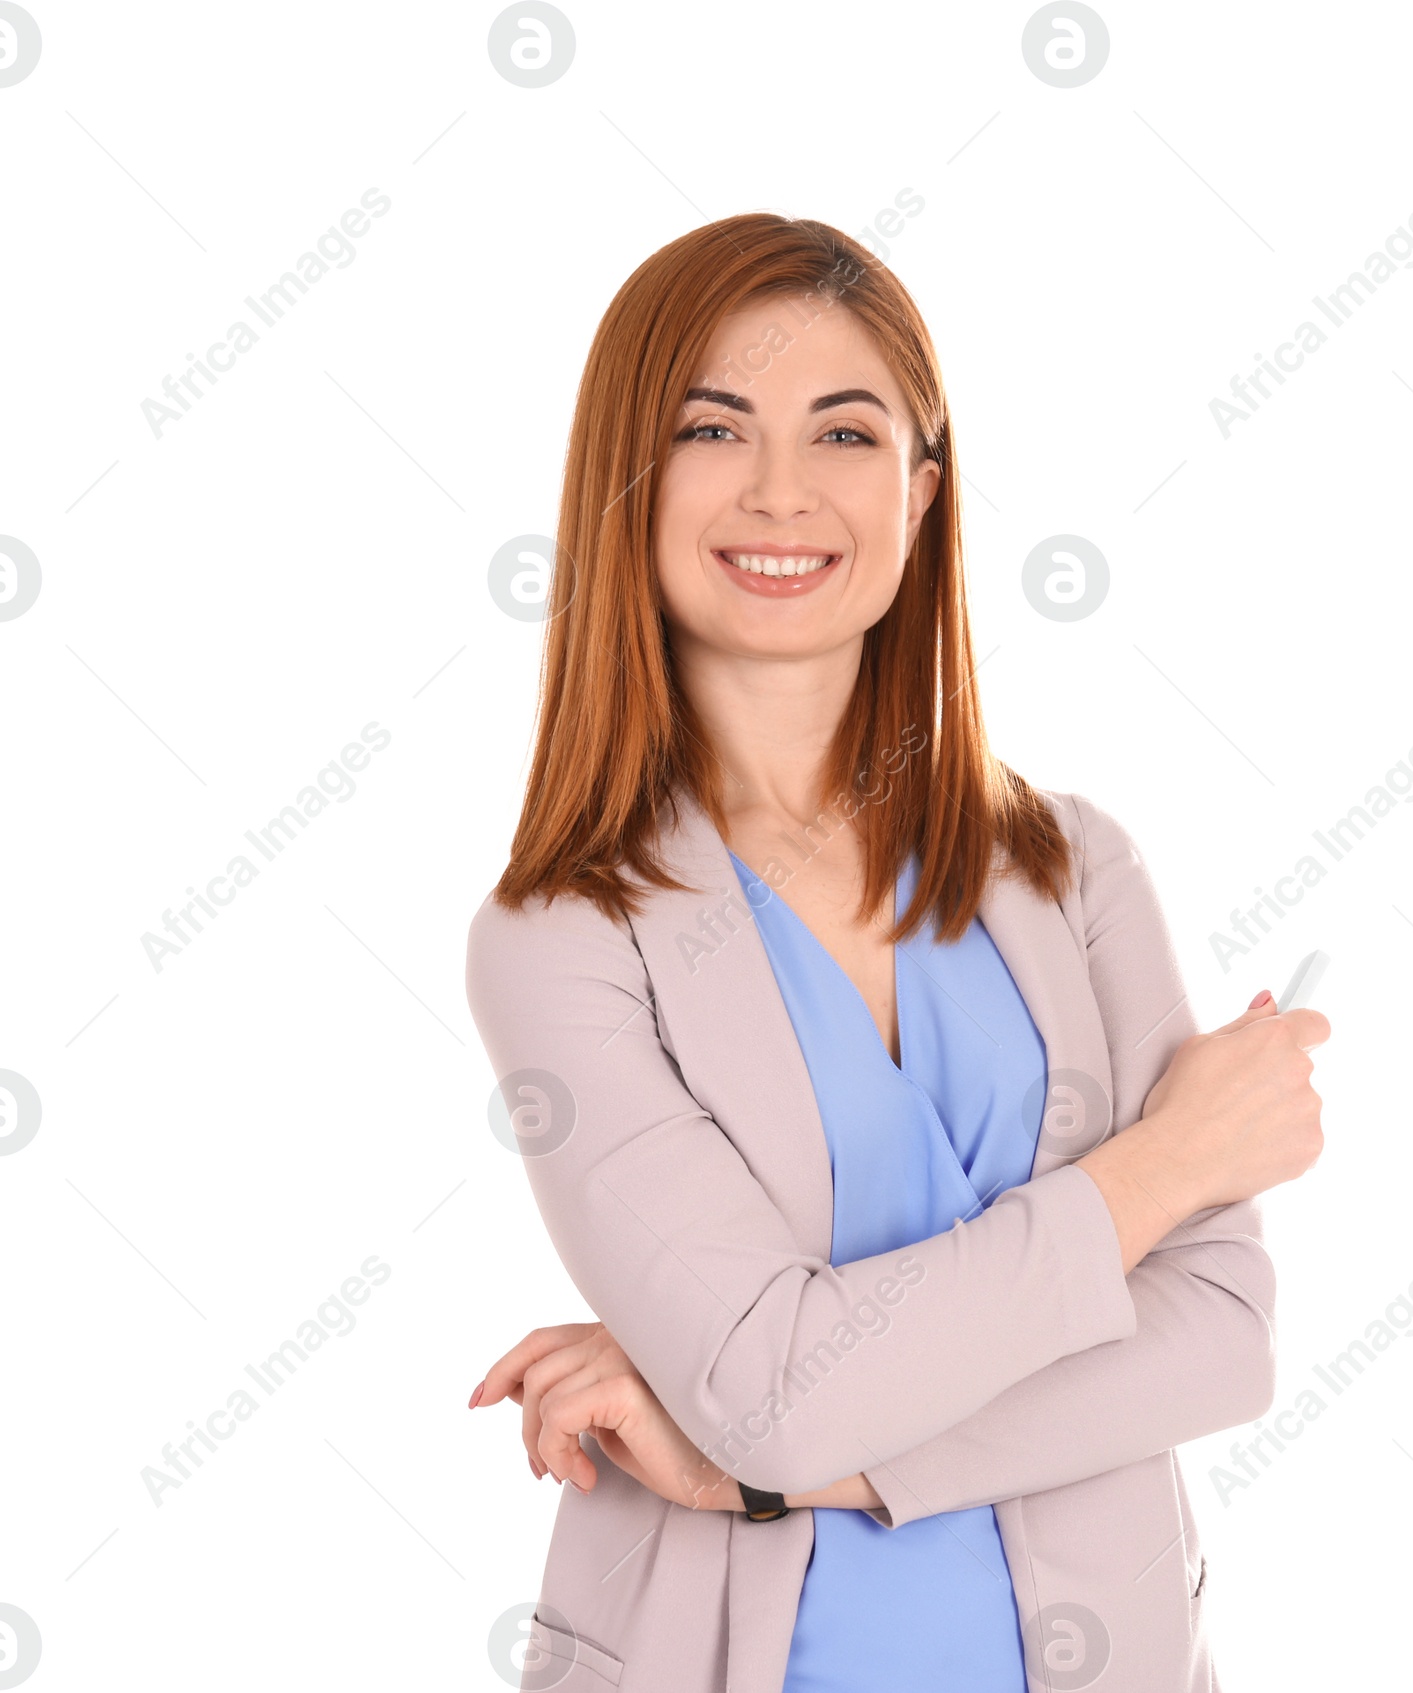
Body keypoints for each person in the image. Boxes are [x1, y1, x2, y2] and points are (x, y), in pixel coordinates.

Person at [463, 211, 1328, 1693]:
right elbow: (776, 1390)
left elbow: (1219, 1341)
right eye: (713, 427)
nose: (783, 490)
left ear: (924, 493)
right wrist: (1162, 1169)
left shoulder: (1074, 867)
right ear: (628, 483)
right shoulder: (560, 935)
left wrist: (770, 1463)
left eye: (847, 433)